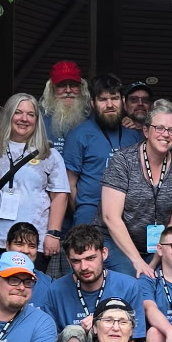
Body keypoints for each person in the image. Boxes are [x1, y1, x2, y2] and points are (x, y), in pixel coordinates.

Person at [101, 98, 172, 278]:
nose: (165, 134)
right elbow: (110, 217)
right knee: (131, 279)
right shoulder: (123, 161)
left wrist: (153, 263)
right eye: (159, 128)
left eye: (171, 130)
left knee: (167, 277)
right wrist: (138, 262)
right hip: (115, 241)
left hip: (157, 246)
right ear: (146, 130)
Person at [0, 92, 70, 266]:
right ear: (8, 115)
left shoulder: (50, 154)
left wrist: (53, 234)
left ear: (37, 120)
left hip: (33, 241)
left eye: (31, 114)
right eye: (18, 112)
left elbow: (60, 195)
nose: (24, 119)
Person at [40, 223, 145, 342]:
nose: (84, 267)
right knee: (73, 333)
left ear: (104, 253)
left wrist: (103, 326)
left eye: (90, 258)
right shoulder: (56, 290)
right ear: (68, 260)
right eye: (76, 261)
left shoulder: (128, 286)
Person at [60, 72, 140, 228]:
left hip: (127, 216)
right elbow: (69, 184)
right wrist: (82, 212)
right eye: (103, 100)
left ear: (123, 101)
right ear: (93, 103)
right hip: (89, 216)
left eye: (114, 98)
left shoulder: (133, 136)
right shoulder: (79, 134)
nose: (109, 105)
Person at [41, 60, 90, 143]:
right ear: (52, 89)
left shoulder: (92, 120)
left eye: (73, 85)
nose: (68, 90)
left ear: (81, 88)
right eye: (62, 85)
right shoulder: (39, 121)